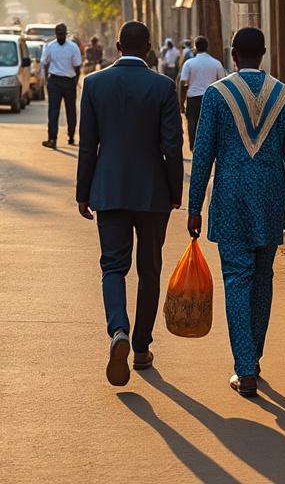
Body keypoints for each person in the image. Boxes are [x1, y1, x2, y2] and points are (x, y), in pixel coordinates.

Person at [188, 27, 285, 397]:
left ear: (233, 54)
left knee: (237, 278)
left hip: (230, 198)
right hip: (271, 197)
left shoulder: (216, 95)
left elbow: (203, 154)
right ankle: (253, 356)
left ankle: (245, 367)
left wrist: (194, 207)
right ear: (265, 52)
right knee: (263, 276)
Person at [76, 21, 184, 387]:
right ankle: (140, 347)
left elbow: (88, 145)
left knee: (112, 267)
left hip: (108, 189)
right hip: (152, 193)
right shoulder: (163, 87)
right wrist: (175, 193)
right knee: (149, 270)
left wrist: (83, 191)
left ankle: (117, 330)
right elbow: (172, 146)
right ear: (150, 48)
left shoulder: (93, 85)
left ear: (118, 45)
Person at [178, 36, 226, 152]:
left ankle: (193, 147)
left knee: (192, 123)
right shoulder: (216, 63)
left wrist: (181, 103)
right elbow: (223, 82)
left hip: (193, 98)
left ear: (195, 47)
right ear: (207, 47)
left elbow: (183, 83)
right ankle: (208, 148)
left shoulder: (189, 63)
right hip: (210, 98)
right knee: (209, 124)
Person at [40, 23, 82, 149]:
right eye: (58, 34)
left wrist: (75, 83)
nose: (61, 36)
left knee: (71, 110)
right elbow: (45, 63)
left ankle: (71, 136)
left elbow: (77, 67)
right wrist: (47, 81)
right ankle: (52, 138)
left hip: (69, 81)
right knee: (53, 111)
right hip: (54, 81)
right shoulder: (50, 47)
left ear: (66, 34)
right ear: (56, 34)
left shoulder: (73, 47)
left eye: (63, 33)